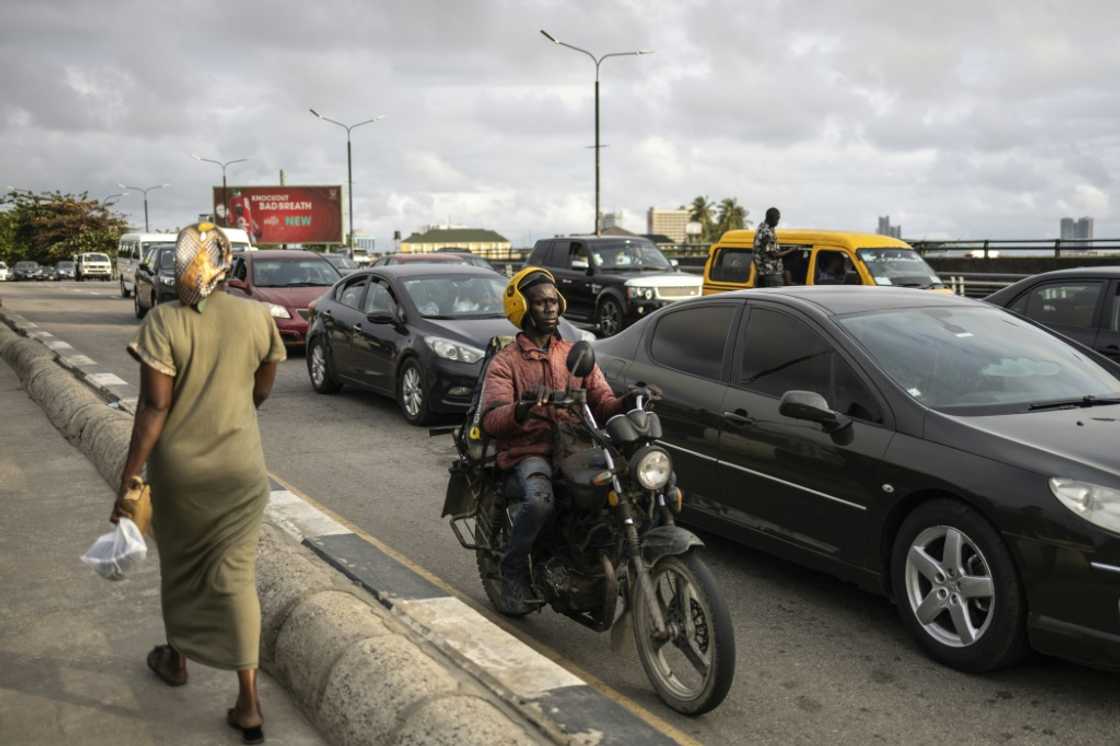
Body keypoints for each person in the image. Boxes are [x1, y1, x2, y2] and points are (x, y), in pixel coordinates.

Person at [113, 222, 286, 745]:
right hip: (242, 473)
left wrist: (128, 476)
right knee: (236, 577)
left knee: (182, 569)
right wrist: (231, 408)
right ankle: (249, 702)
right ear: (229, 265)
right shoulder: (258, 317)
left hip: (182, 475)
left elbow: (154, 407)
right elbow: (262, 389)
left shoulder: (164, 321)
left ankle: (177, 658)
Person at [479, 268, 634, 605]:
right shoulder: (506, 363)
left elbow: (603, 402)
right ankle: (513, 572)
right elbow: (492, 418)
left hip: (576, 448)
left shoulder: (573, 354)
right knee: (538, 501)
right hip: (528, 451)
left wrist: (631, 400)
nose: (550, 308)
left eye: (553, 301)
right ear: (523, 308)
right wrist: (522, 408)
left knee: (625, 488)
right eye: (540, 303)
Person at [753, 207, 795, 287]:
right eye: (777, 219)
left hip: (761, 273)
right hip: (771, 274)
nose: (777, 222)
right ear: (771, 218)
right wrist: (791, 250)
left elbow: (768, 248)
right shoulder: (767, 233)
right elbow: (774, 255)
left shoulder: (761, 227)